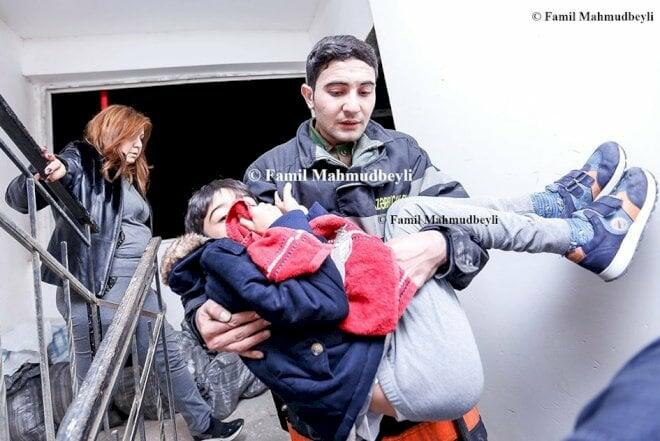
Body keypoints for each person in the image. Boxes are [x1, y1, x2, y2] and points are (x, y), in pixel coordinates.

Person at [182, 34, 491, 441]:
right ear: (309, 96)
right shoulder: (268, 174)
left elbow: (473, 225)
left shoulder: (406, 156)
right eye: (337, 91)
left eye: (365, 91)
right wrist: (200, 313)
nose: (353, 106)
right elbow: (222, 258)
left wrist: (443, 246)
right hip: (327, 399)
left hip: (426, 381)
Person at [4, 105, 244, 441]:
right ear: (114, 130)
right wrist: (48, 168)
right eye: (134, 136)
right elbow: (32, 188)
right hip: (102, 286)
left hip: (138, 284)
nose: (139, 145)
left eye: (142, 139)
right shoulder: (85, 158)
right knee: (94, 381)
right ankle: (81, 435)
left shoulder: (125, 179)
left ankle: (203, 425)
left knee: (167, 356)